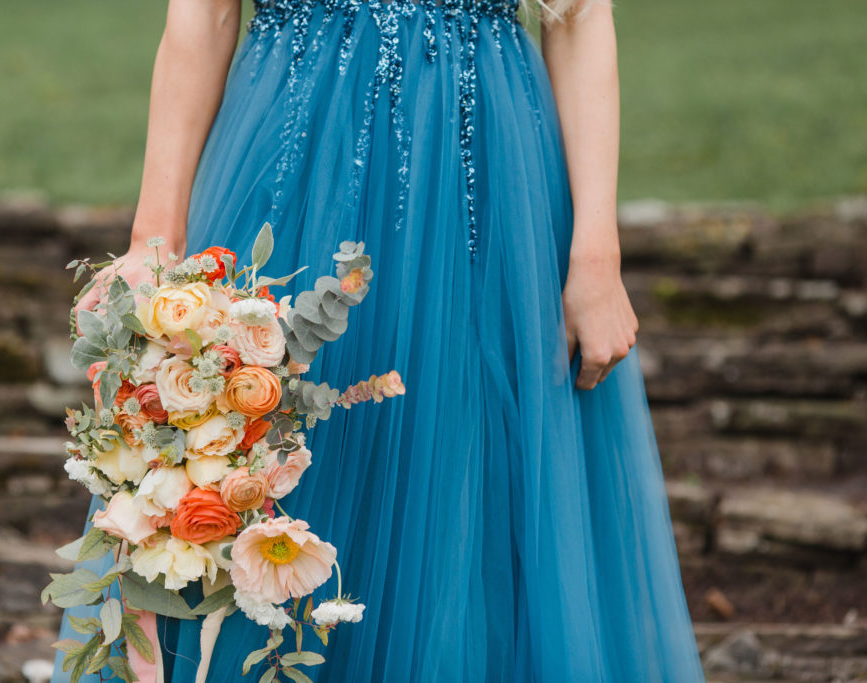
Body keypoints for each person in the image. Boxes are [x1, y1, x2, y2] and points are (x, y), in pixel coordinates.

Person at [57, 0, 706, 679]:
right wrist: (153, 242)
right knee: (263, 460)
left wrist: (596, 257)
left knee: (465, 478)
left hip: (485, 184)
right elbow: (204, 14)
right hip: (294, 165)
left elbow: (577, 15)